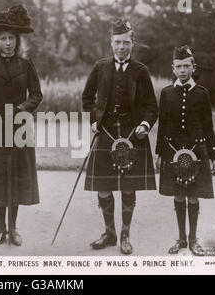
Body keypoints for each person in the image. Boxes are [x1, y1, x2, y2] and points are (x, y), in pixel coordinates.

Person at [82, 19, 158, 254]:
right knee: (103, 187)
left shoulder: (140, 71)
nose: (121, 47)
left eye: (126, 42)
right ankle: (110, 233)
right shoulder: (100, 67)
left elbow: (151, 107)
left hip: (132, 135)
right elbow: (87, 99)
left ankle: (125, 234)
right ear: (111, 42)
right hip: (105, 134)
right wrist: (94, 121)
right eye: (117, 42)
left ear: (132, 43)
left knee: (127, 187)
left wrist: (145, 125)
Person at [0, 5, 43, 247]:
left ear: (17, 40)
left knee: (16, 179)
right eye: (3, 38)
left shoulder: (26, 65)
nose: (8, 43)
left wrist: (23, 109)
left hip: (20, 130)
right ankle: (0, 228)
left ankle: (13, 228)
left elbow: (36, 95)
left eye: (11, 38)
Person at [155, 45, 215, 256]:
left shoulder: (202, 94)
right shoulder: (166, 93)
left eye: (186, 66)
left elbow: (208, 126)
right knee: (178, 195)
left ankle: (193, 240)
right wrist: (159, 153)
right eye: (178, 66)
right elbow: (162, 125)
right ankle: (181, 239)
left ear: (193, 67)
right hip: (173, 151)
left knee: (193, 196)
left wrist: (213, 154)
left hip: (197, 151)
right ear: (173, 69)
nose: (182, 70)